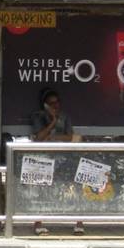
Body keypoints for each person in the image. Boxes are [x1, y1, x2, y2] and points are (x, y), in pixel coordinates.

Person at [29, 88, 83, 236]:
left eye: (57, 102)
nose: (55, 105)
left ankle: (79, 222)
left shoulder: (65, 117)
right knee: (41, 189)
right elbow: (39, 137)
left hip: (63, 156)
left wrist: (52, 138)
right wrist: (53, 122)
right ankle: (38, 223)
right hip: (44, 158)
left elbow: (69, 137)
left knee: (74, 185)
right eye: (51, 103)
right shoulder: (38, 116)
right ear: (45, 104)